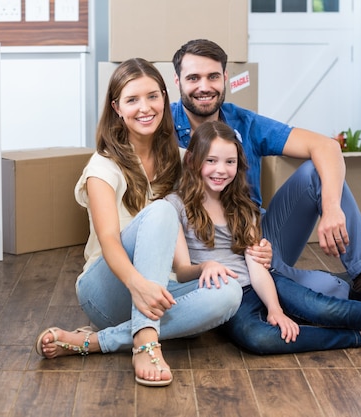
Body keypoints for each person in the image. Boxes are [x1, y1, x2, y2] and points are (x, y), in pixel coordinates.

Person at [170, 38, 361, 320]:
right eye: (193, 78)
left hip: (256, 241)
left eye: (213, 76)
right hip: (202, 249)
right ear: (177, 80)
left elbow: (327, 146)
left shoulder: (245, 123)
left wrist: (331, 208)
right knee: (326, 293)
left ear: (225, 78)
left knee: (316, 172)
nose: (204, 87)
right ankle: (342, 283)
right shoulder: (161, 126)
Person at [167, 120, 361, 356]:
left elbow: (256, 266)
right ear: (192, 161)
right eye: (212, 161)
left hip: (261, 282)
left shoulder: (240, 205)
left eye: (229, 162)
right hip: (225, 299)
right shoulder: (175, 206)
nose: (221, 170)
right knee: (258, 338)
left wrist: (275, 309)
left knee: (325, 307)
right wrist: (204, 268)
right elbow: (182, 270)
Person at [35, 58, 243, 387]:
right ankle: (145, 341)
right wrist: (138, 284)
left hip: (159, 290)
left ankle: (97, 342)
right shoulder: (103, 167)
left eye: (152, 96)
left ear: (165, 97)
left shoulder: (182, 159)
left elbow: (182, 259)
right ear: (117, 107)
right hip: (108, 289)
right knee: (162, 211)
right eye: (132, 100)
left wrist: (203, 269)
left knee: (229, 292)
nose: (144, 108)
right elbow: (109, 241)